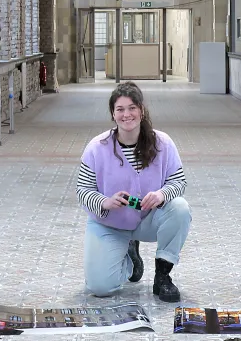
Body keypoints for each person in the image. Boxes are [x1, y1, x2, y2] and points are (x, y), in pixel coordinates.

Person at [77, 82, 191, 301]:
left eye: (132, 108)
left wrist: (161, 195)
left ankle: (163, 275)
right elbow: (83, 189)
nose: (126, 114)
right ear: (113, 113)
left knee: (180, 208)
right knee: (101, 287)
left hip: (149, 219)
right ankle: (128, 256)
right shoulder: (96, 147)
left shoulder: (163, 143)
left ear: (142, 110)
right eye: (120, 109)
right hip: (109, 223)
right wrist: (104, 202)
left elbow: (178, 181)